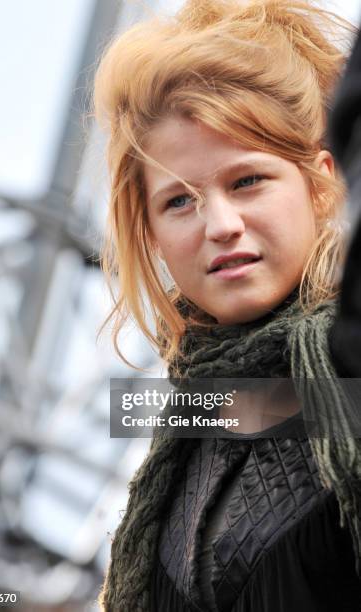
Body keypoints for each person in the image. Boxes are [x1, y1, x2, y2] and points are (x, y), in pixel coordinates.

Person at [92, 0, 361, 610]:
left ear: (321, 185)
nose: (220, 225)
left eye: (247, 181)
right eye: (179, 202)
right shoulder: (186, 429)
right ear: (152, 234)